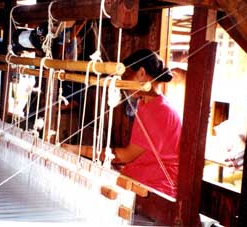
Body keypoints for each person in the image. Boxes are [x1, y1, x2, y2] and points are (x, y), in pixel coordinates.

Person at [62, 49, 182, 198]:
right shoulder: (146, 104)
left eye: (126, 76)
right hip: (145, 182)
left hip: (155, 192)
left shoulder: (159, 111)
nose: (123, 84)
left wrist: (77, 150)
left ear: (141, 73)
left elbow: (125, 156)